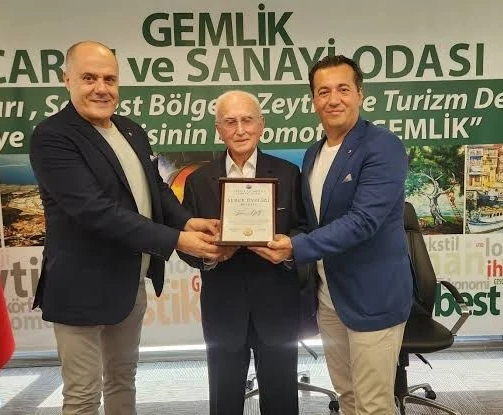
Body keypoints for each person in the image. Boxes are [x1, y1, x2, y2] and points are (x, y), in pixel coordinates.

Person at [29, 40, 223, 415]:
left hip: (128, 283)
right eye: (89, 78)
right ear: (66, 79)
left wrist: (186, 220)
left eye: (109, 79)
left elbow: (156, 189)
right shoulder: (53, 137)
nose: (101, 88)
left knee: (122, 380)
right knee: (83, 395)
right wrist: (178, 239)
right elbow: (95, 211)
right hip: (80, 289)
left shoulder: (131, 130)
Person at [251, 55, 413, 415]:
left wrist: (295, 246)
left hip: (373, 297)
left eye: (343, 89)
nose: (333, 99)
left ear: (360, 94)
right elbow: (313, 220)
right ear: (313, 100)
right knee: (347, 396)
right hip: (329, 296)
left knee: (373, 404)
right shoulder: (313, 153)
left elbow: (364, 221)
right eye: (323, 92)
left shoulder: (383, 146)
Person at [177, 90, 306, 415]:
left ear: (261, 125)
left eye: (247, 120)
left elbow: (305, 230)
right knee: (224, 401)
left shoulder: (288, 174)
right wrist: (209, 256)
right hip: (223, 307)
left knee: (281, 400)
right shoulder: (198, 181)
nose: (240, 130)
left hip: (277, 305)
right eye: (230, 122)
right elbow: (186, 242)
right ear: (218, 129)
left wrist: (288, 250)